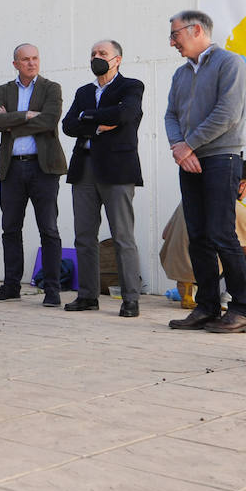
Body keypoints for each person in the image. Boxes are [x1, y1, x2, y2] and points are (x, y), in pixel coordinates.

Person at [164, 10, 246, 333]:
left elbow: (227, 114)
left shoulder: (230, 63)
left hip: (221, 158)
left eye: (175, 34)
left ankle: (243, 309)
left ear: (196, 30)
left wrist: (188, 145)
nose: (172, 41)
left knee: (221, 233)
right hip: (189, 160)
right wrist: (179, 147)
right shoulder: (180, 75)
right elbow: (171, 116)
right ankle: (207, 306)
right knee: (198, 236)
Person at [61, 40, 145, 317]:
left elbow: (126, 114)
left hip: (117, 170)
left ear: (117, 59)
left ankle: (130, 299)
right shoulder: (84, 91)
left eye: (103, 54)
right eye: (93, 53)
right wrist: (97, 125)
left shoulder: (131, 86)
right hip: (83, 169)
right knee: (84, 237)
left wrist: (89, 117)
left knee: (123, 237)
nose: (96, 57)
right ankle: (87, 295)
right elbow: (68, 125)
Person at [0, 44, 67, 303]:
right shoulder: (4, 90)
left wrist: (12, 122)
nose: (32, 63)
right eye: (25, 59)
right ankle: (11, 287)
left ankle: (52, 290)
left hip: (43, 168)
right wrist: (26, 115)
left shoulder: (51, 88)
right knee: (10, 228)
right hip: (12, 169)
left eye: (35, 58)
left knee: (49, 229)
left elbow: (49, 120)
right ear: (15, 64)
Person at [160, 160, 246, 304]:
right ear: (242, 185)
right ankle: (232, 296)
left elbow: (165, 234)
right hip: (201, 268)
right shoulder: (237, 210)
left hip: (174, 266)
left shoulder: (192, 198)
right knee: (240, 249)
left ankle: (190, 288)